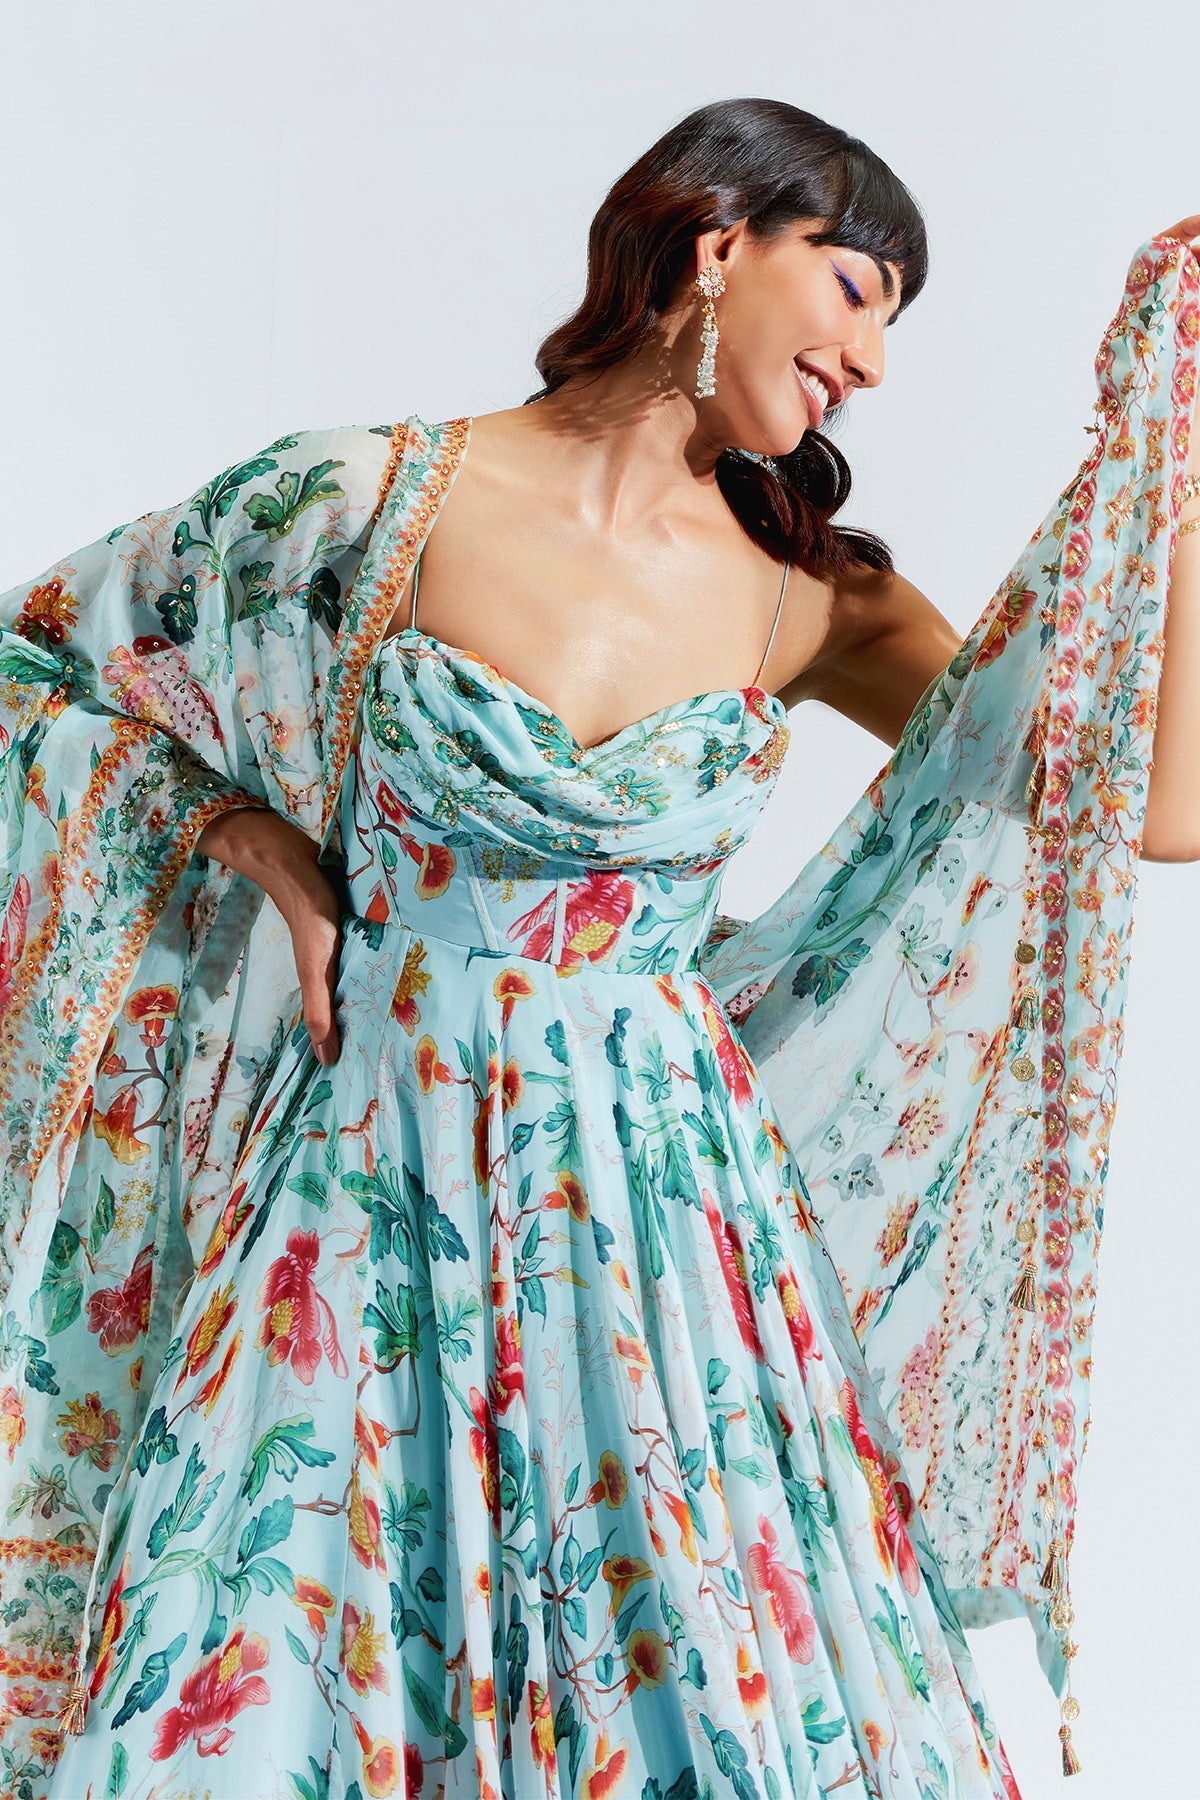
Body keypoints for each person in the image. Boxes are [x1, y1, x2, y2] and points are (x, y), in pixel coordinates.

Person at [0, 96, 1196, 1800]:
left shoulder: (813, 600)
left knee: (698, 1683)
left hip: (662, 1244)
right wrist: (242, 833)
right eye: (857, 288)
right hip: (366, 1195)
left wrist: (1177, 459)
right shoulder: (373, 496)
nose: (872, 361)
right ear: (720, 247)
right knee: (289, 1667)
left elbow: (1157, 808)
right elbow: (33, 663)